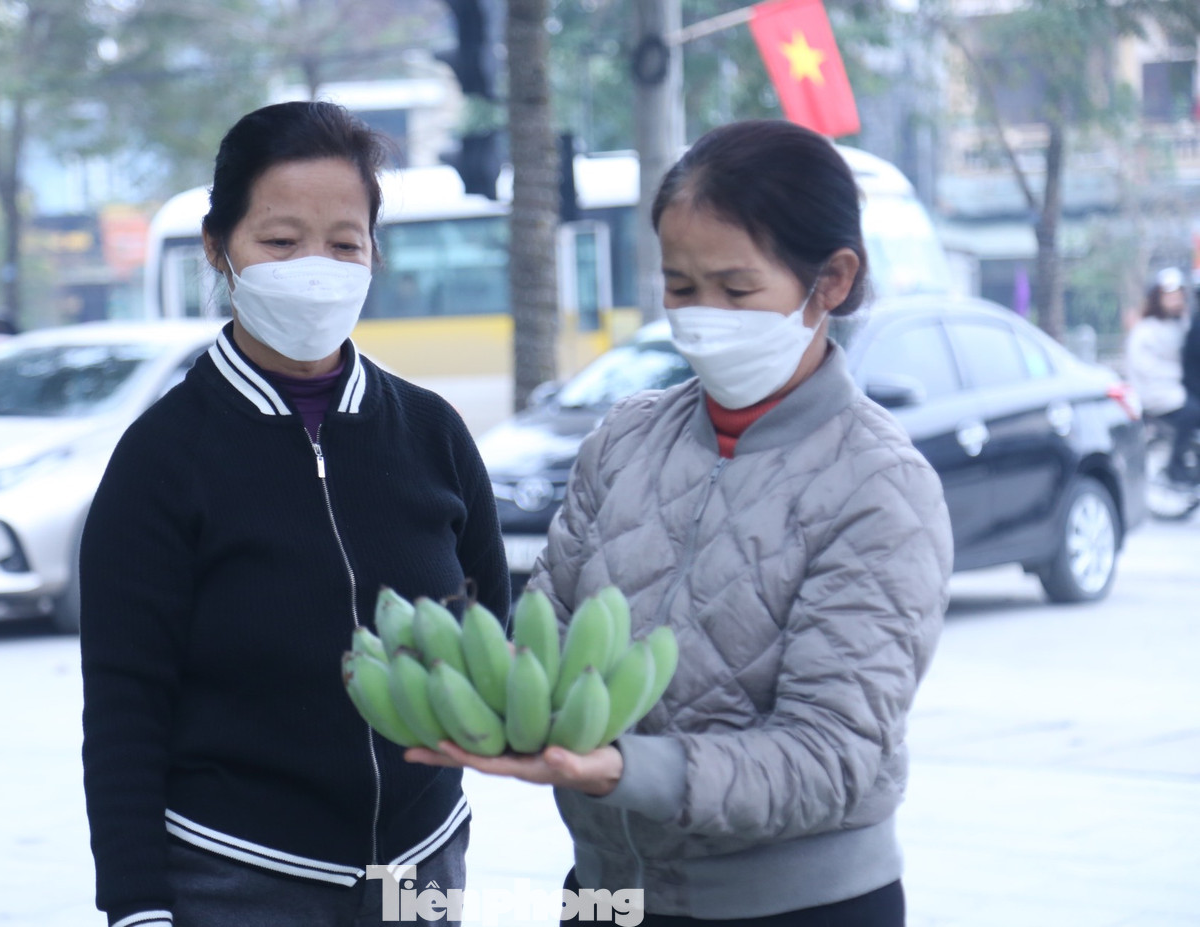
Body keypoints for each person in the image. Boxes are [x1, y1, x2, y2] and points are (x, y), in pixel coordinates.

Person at [408, 120, 953, 926]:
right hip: (606, 896)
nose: (703, 315)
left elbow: (828, 755)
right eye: (679, 286)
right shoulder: (623, 437)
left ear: (831, 281)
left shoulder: (880, 485)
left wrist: (623, 768)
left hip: (797, 908)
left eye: (735, 290)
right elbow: (550, 640)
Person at [79, 101, 509, 927]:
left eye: (344, 242)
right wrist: (135, 907)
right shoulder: (163, 457)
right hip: (236, 875)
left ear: (373, 253)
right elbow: (126, 705)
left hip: (420, 872)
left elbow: (491, 632)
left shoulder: (433, 433)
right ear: (219, 248)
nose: (316, 265)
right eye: (280, 241)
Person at [1126, 267, 1195, 483]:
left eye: (1178, 297)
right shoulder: (1145, 331)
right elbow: (1143, 368)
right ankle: (1175, 466)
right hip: (1156, 394)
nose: (1175, 302)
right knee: (1193, 413)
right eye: (1170, 297)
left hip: (1176, 389)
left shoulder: (1181, 325)